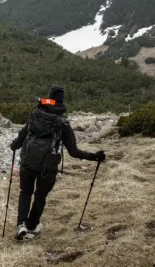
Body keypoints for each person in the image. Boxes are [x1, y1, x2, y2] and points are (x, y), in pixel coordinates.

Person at [9, 85, 106, 240]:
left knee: (25, 192)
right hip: (47, 168)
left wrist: (13, 146)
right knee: (40, 196)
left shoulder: (34, 117)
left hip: (27, 164)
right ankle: (32, 226)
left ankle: (21, 225)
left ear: (48, 100)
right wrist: (94, 157)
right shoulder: (62, 125)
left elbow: (19, 142)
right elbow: (74, 152)